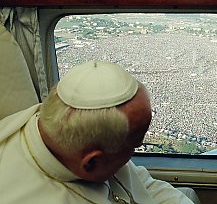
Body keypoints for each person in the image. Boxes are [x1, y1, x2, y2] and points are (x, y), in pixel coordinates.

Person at [0, 61, 200, 204]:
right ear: (91, 162)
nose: (133, 154)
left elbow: (141, 184)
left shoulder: (57, 129)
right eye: (133, 146)